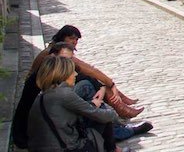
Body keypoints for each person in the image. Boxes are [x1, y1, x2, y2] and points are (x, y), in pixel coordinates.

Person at [12, 42, 152, 150]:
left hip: (46, 137)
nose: (75, 73)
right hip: (58, 143)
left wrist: (103, 90)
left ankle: (118, 132)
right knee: (101, 116)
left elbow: (90, 76)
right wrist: (101, 109)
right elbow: (99, 114)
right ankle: (117, 141)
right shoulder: (60, 91)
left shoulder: (52, 84)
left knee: (89, 91)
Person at [30, 25, 143, 118]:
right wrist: (110, 84)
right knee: (89, 81)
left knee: (91, 79)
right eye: (71, 38)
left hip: (50, 91)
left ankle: (120, 102)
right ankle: (119, 107)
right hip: (45, 94)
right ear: (62, 37)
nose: (74, 42)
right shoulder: (59, 53)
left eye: (76, 39)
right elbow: (88, 70)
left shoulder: (56, 48)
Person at [27, 56, 120, 152]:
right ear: (64, 75)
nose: (75, 74)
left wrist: (91, 105)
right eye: (72, 72)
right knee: (104, 117)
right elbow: (99, 115)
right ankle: (113, 149)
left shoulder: (41, 97)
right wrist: (112, 114)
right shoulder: (64, 94)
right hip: (67, 148)